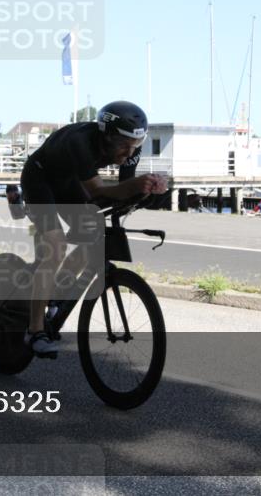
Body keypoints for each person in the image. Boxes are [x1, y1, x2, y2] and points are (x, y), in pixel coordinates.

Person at [19, 101, 168, 357]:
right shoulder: (80, 142)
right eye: (123, 145)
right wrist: (137, 186)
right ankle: (34, 331)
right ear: (106, 136)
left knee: (94, 236)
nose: (128, 152)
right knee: (56, 247)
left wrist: (150, 191)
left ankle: (55, 292)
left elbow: (124, 190)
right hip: (39, 179)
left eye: (135, 145)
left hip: (68, 181)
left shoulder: (130, 146)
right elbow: (99, 191)